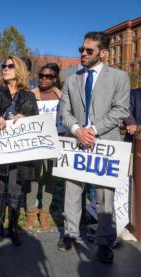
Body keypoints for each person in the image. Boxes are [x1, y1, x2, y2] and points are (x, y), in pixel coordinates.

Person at [58, 31, 130, 263]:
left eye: (89, 50)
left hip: (105, 143)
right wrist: (78, 129)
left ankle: (104, 242)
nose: (83, 54)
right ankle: (70, 233)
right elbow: (64, 111)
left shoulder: (119, 77)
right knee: (72, 190)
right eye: (81, 49)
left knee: (105, 197)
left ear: (103, 53)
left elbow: (121, 110)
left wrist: (94, 130)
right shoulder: (71, 79)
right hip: (76, 143)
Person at [0, 55, 39, 245]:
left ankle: (13, 226)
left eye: (10, 66)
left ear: (20, 70)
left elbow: (36, 122)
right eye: (4, 65)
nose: (5, 69)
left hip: (20, 155)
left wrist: (26, 118)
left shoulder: (29, 95)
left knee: (16, 191)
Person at [25, 63, 62, 230]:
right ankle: (31, 211)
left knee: (49, 177)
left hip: (54, 141)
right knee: (33, 176)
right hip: (34, 143)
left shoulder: (62, 97)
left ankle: (45, 212)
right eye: (41, 76)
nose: (44, 79)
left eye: (49, 77)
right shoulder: (29, 95)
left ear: (55, 79)